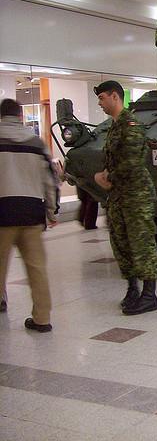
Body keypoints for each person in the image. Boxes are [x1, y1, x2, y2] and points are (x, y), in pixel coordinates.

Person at [92, 81, 157, 315]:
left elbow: (131, 162)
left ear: (114, 96)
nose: (99, 103)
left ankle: (150, 295)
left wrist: (104, 177)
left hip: (136, 195)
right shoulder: (114, 126)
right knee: (121, 242)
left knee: (142, 242)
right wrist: (103, 176)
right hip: (119, 195)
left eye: (102, 98)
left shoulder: (130, 125)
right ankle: (133, 289)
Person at [0, 98, 59, 331]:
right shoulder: (36, 142)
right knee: (37, 269)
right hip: (32, 213)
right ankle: (42, 319)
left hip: (2, 213)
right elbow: (50, 179)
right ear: (20, 116)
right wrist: (52, 212)